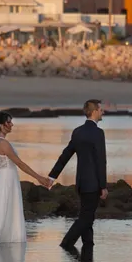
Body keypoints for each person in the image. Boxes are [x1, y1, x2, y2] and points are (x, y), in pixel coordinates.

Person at [0, 111, 50, 246]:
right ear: (1, 125)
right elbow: (19, 163)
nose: (11, 124)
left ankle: (7, 240)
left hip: (4, 178)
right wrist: (39, 177)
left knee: (3, 209)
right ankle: (5, 240)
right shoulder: (2, 143)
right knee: (2, 209)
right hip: (6, 180)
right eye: (8, 122)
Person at [48, 99, 108, 251]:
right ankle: (66, 244)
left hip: (81, 182)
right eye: (101, 110)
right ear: (94, 111)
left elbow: (65, 155)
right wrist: (103, 186)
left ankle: (88, 246)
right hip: (93, 183)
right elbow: (101, 161)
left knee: (87, 216)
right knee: (86, 217)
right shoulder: (98, 133)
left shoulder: (78, 132)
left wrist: (52, 176)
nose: (103, 112)